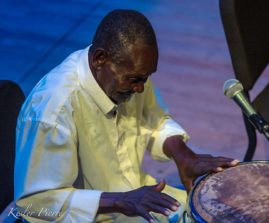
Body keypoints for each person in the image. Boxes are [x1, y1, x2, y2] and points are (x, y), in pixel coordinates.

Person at [14, 9, 239, 223]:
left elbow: (154, 121)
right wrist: (119, 201)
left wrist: (184, 156)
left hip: (135, 200)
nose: (141, 88)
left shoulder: (129, 76)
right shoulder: (53, 111)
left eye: (146, 78)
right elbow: (33, 205)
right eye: (135, 80)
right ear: (100, 59)